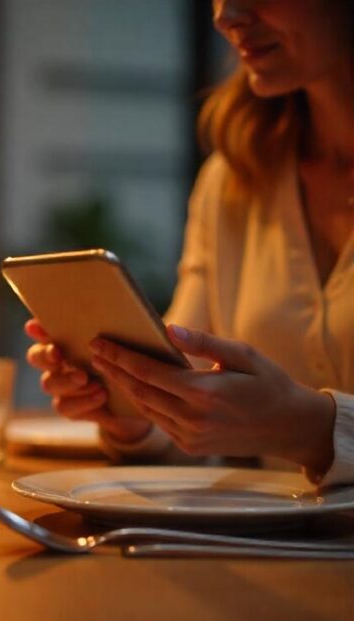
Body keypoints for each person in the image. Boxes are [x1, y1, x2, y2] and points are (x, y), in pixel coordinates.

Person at [25, 0, 353, 486]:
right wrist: (135, 413)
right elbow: (196, 418)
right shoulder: (235, 178)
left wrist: (309, 428)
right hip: (265, 556)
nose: (226, 15)